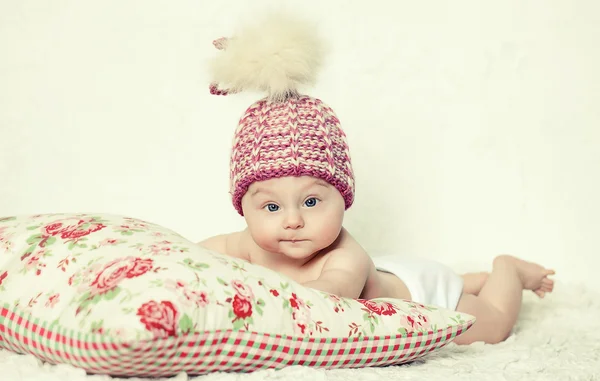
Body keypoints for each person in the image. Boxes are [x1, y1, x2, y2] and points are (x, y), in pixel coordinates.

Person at [198, 13, 556, 345]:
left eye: (311, 202)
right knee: (454, 277)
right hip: (394, 271)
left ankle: (507, 269)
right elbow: (194, 256)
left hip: (421, 295)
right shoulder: (248, 243)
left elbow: (321, 299)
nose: (292, 220)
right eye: (272, 206)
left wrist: (251, 286)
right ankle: (469, 279)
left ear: (343, 197)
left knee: (489, 325)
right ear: (243, 208)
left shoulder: (344, 258)